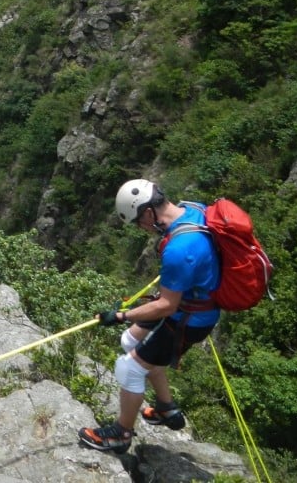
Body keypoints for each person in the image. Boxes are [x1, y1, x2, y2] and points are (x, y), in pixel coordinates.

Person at [77, 179, 220, 454]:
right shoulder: (194, 210)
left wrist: (120, 315)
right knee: (131, 341)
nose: (141, 228)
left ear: (147, 213)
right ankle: (167, 408)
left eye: (138, 222)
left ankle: (121, 434)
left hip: (188, 319)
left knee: (129, 367)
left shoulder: (180, 249)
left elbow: (166, 305)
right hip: (190, 304)